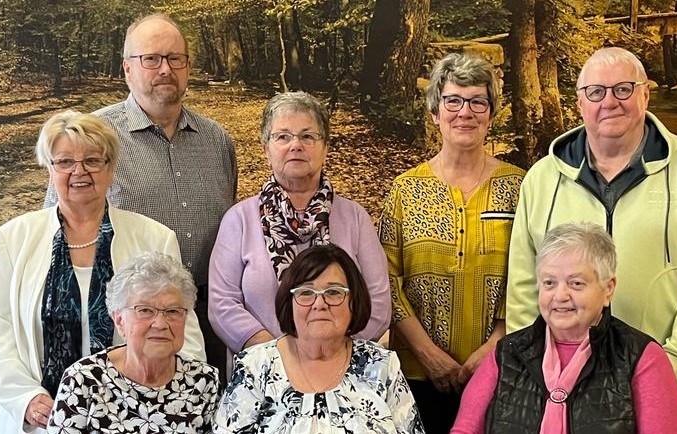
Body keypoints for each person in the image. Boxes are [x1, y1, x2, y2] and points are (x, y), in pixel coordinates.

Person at [505, 47, 677, 433]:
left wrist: (675, 359)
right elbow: (524, 282)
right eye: (596, 92)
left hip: (666, 379)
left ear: (645, 94)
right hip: (564, 387)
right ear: (580, 102)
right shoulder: (542, 178)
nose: (609, 102)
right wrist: (531, 368)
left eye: (624, 89)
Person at [0, 110, 205, 433]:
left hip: (136, 417)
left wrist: (174, 403)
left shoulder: (155, 238)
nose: (79, 171)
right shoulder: (11, 240)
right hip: (39, 417)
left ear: (111, 169)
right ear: (50, 170)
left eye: (93, 161)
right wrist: (24, 398)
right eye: (65, 162)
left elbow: (183, 330)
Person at [43, 13, 237, 373]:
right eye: (151, 59)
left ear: (188, 67)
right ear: (127, 69)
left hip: (209, 317)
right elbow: (55, 228)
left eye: (175, 58)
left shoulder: (218, 141)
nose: (165, 69)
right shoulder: (94, 138)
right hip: (127, 322)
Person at [378, 52, 525, 433]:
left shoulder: (521, 188)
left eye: (478, 101)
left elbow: (532, 274)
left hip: (503, 369)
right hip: (417, 374)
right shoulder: (406, 189)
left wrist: (494, 348)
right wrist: (428, 355)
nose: (466, 112)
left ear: (491, 114)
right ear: (434, 113)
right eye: (453, 100)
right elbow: (386, 280)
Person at [452, 222, 677, 433]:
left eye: (576, 283)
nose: (560, 295)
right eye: (549, 283)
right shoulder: (506, 353)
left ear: (608, 288)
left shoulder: (642, 357)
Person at [208, 91, 390, 356]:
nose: (296, 145)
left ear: (325, 147)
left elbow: (379, 302)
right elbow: (222, 304)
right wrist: (278, 355)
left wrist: (331, 353)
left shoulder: (355, 218)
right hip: (263, 372)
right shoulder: (239, 219)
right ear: (265, 149)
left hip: (341, 370)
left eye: (307, 136)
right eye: (282, 136)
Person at [214, 244, 423, 433]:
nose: (319, 303)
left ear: (354, 301)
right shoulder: (255, 366)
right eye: (306, 292)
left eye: (333, 292)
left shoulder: (382, 365)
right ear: (290, 302)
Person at [47, 252, 220, 433]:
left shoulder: (205, 381)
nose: (160, 324)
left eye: (173, 311)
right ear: (119, 320)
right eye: (145, 310)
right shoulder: (83, 380)